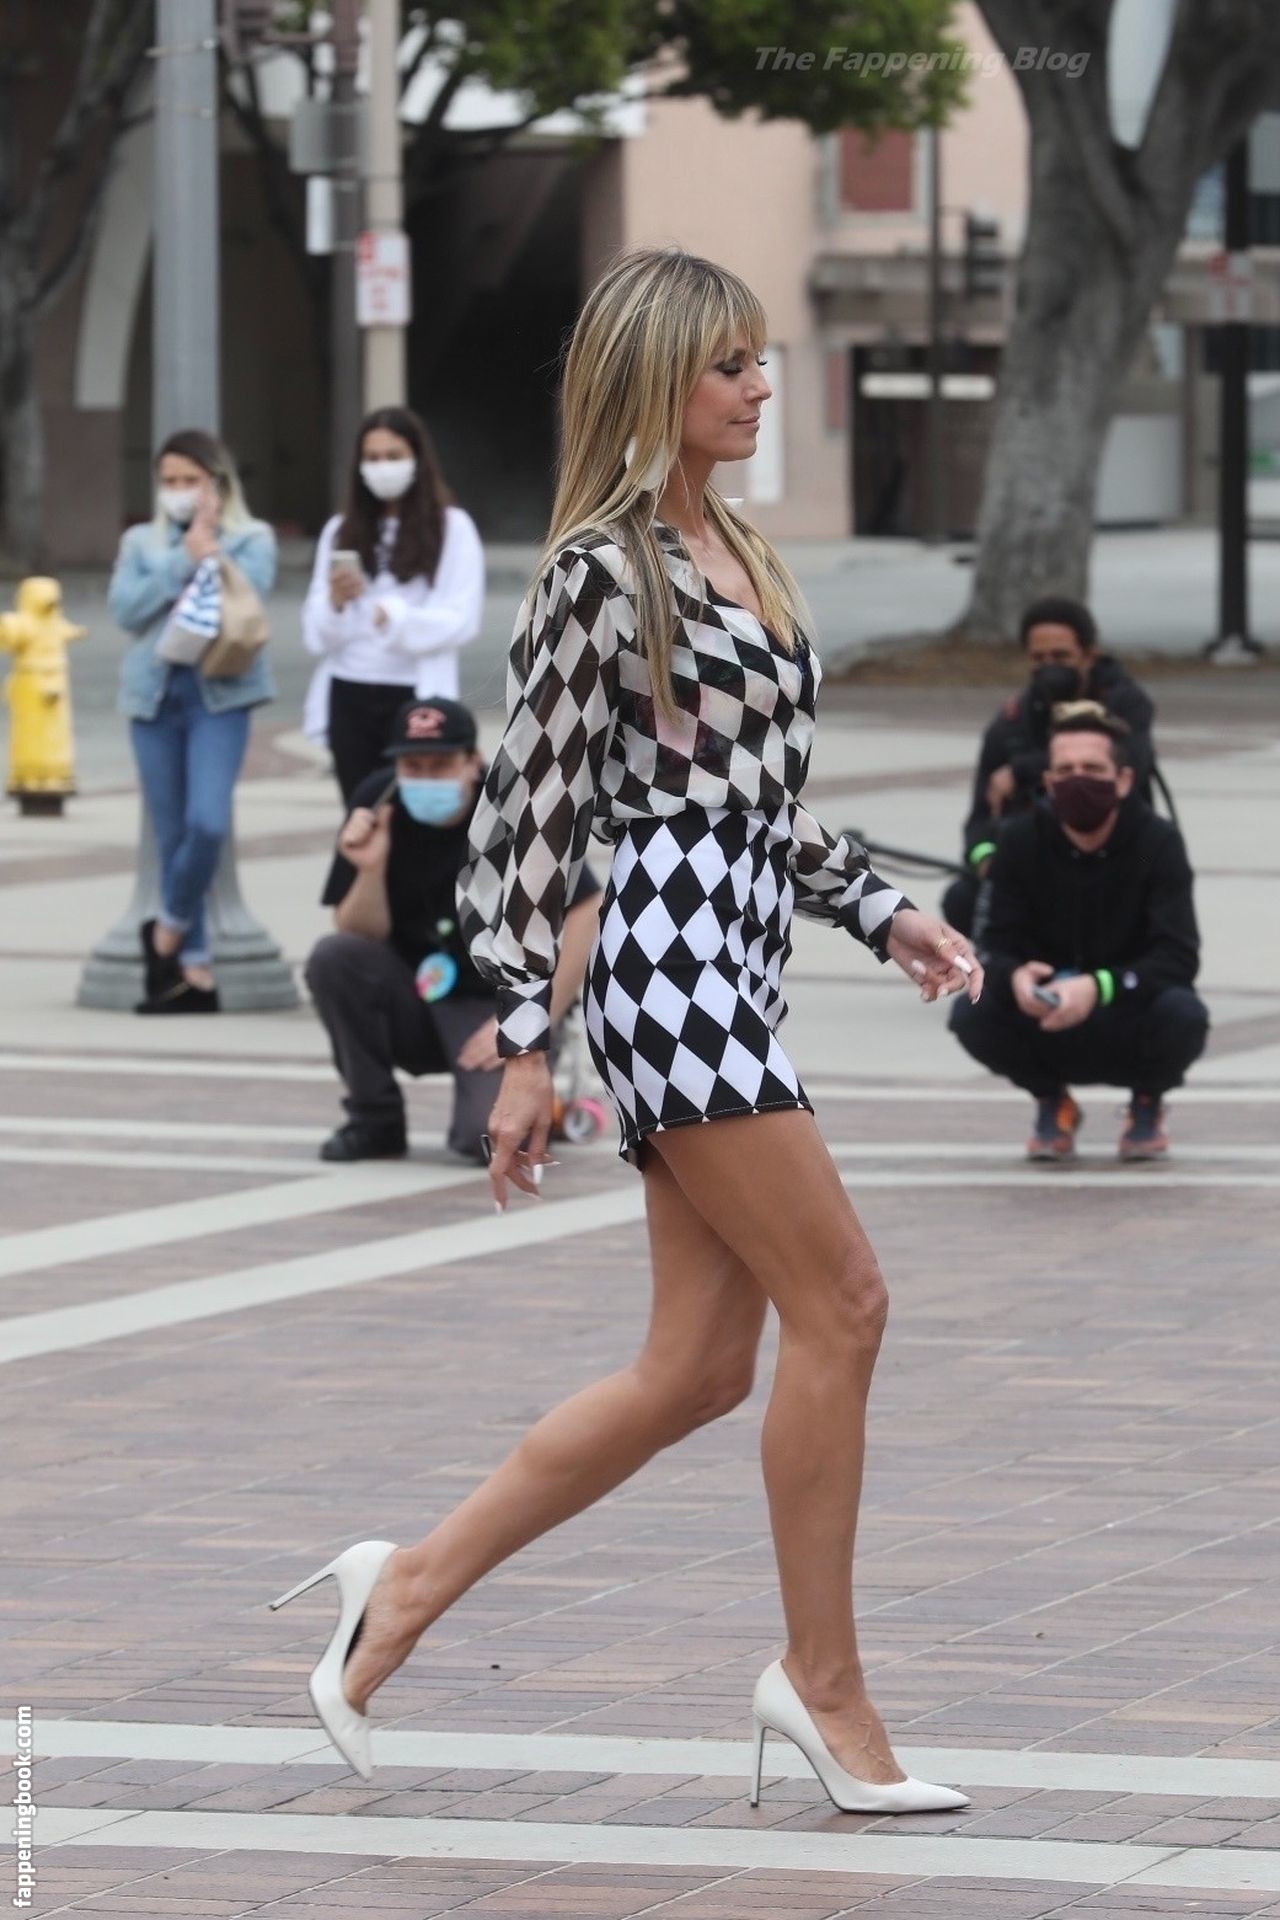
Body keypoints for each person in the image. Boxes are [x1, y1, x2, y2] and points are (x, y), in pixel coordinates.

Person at [268, 247, 981, 1815]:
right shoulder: (604, 570)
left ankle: (403, 1586)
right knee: (846, 1302)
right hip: (667, 973)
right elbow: (527, 818)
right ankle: (824, 1685)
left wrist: (883, 913)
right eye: (730, 363)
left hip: (736, 958)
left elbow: (752, 803)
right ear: (655, 376)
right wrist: (527, 1042)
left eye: (760, 358)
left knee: (698, 1369)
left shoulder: (738, 549)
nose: (760, 386)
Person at [306, 695, 602, 1165]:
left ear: (472, 762)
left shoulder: (510, 809)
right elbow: (357, 929)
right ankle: (374, 1120)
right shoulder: (378, 800)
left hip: (497, 999)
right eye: (413, 766)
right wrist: (369, 868)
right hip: (416, 992)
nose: (425, 778)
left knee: (485, 1140)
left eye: (440, 764)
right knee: (334, 956)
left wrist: (531, 1019)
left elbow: (585, 908)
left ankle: (544, 1103)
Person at [949, 704, 1208, 1161]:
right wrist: (1016, 978)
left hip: (1127, 1008)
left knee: (1184, 1015)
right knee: (973, 1013)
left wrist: (1099, 986)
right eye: (1065, 771)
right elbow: (992, 944)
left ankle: (1147, 1102)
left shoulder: (1155, 843)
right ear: (1048, 782)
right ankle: (1052, 1101)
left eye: (1093, 769)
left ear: (1123, 780)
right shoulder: (1020, 841)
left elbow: (1178, 956)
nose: (1078, 780)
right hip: (1045, 1012)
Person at [109, 428, 277, 1013]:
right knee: (171, 834)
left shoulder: (252, 538)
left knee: (206, 823)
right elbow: (125, 610)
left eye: (190, 479)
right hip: (153, 697)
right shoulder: (141, 542)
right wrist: (183, 558)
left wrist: (212, 549)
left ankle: (167, 931)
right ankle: (193, 970)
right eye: (169, 480)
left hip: (220, 696)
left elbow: (251, 601)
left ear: (216, 483)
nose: (179, 490)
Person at [942, 595, 1157, 937]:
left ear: (1088, 655)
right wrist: (985, 859)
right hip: (1032, 862)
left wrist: (1022, 771)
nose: (1049, 666)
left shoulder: (1126, 704)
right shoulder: (1010, 723)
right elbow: (979, 819)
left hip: (1119, 856)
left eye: (1061, 656)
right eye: (1038, 658)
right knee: (962, 899)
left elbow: (1132, 760)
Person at [301, 406, 484, 801]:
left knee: (412, 808)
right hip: (349, 689)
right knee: (360, 808)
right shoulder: (340, 530)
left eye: (393, 456)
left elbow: (461, 618)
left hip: (414, 693)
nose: (382, 467)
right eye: (372, 458)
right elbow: (316, 631)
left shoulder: (452, 528)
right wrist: (335, 602)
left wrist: (395, 618)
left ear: (417, 459)